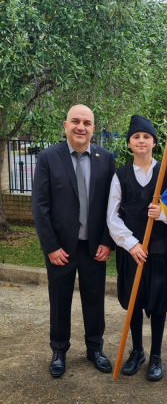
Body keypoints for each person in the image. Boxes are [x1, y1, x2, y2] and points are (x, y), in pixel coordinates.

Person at [31, 104, 116, 378]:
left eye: (87, 122)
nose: (81, 127)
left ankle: (95, 348)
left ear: (93, 129)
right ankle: (58, 350)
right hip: (60, 249)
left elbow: (112, 205)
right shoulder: (48, 157)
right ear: (65, 125)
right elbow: (40, 206)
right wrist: (50, 246)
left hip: (94, 248)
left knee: (95, 300)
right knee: (59, 301)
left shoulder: (106, 158)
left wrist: (107, 241)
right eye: (75, 121)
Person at [106, 114, 167, 381]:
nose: (141, 141)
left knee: (158, 304)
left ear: (155, 143)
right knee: (134, 302)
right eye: (136, 137)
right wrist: (132, 244)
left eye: (146, 136)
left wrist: (163, 214)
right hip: (132, 252)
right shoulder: (120, 175)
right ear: (129, 143)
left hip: (160, 250)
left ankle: (156, 355)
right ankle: (137, 352)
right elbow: (112, 217)